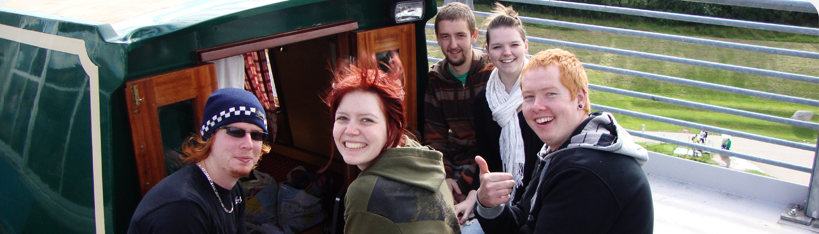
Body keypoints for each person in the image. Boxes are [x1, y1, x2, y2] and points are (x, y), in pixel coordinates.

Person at [474, 49, 654, 233]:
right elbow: (524, 218)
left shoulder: (586, 173)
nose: (537, 106)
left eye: (550, 94)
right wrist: (488, 205)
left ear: (580, 98)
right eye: (528, 97)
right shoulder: (560, 150)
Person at [328, 56, 460, 233]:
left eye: (366, 120)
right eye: (342, 118)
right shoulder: (421, 158)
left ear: (393, 127)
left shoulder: (364, 191)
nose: (350, 130)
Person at [128, 87, 272, 234]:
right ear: (210, 137)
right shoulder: (182, 208)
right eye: (235, 132)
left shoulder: (235, 189)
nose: (248, 144)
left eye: (257, 135)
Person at [470, 3, 540, 233]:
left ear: (526, 46)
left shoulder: (540, 96)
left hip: (541, 198)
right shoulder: (483, 102)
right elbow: (486, 158)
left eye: (514, 45)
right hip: (502, 203)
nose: (506, 52)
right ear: (488, 51)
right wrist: (477, 196)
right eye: (498, 46)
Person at [425, 1, 494, 227]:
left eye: (460, 36)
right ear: (437, 38)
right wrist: (444, 177)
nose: (453, 44)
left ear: (474, 36)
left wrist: (467, 185)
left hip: (489, 163)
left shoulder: (491, 73)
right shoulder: (435, 80)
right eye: (445, 36)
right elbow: (435, 137)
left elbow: (496, 142)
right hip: (455, 164)